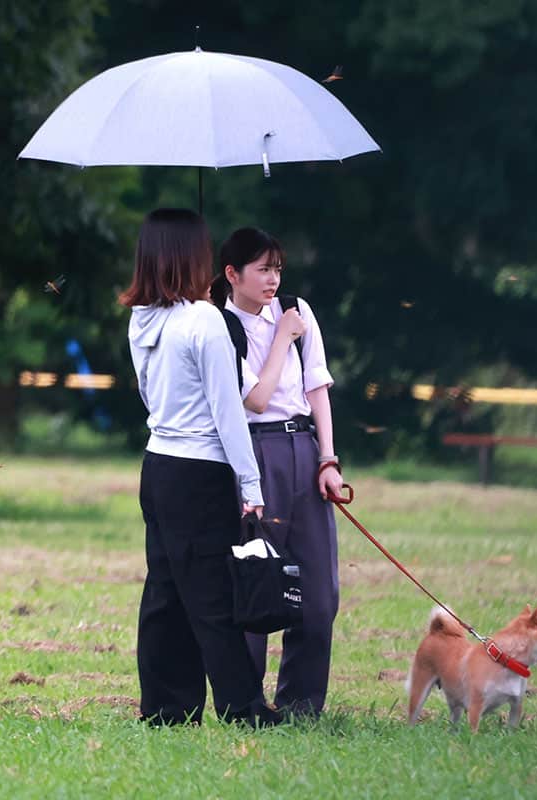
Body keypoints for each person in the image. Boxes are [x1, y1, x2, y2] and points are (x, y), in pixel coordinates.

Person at [121, 209, 280, 728]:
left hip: (158, 465)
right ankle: (244, 707)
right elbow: (227, 412)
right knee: (213, 595)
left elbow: (149, 394)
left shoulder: (143, 317)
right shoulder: (205, 320)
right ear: (193, 256)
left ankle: (168, 707)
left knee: (165, 591)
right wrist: (251, 482)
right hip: (200, 470)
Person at [214, 227, 343, 719]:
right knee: (255, 577)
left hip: (302, 448)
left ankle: (301, 703)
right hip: (253, 451)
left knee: (319, 589)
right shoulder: (221, 326)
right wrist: (281, 339)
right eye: (263, 269)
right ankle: (247, 704)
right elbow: (256, 399)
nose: (273, 279)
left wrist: (327, 459)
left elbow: (318, 388)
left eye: (277, 269)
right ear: (233, 274)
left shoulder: (296, 308)